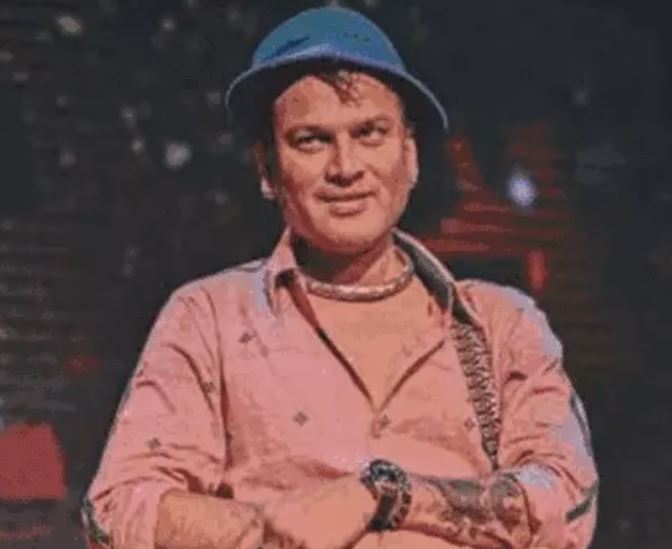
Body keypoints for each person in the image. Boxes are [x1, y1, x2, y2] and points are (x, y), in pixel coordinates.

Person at [82, 7, 598, 549]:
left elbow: (566, 498)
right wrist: (271, 530)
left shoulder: (501, 325)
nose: (345, 167)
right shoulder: (208, 317)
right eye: (312, 140)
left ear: (410, 156)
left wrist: (383, 495)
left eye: (370, 133)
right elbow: (118, 510)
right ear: (267, 169)